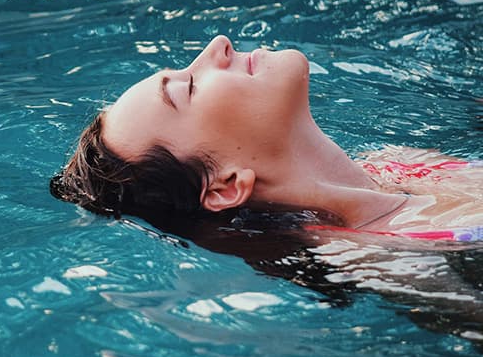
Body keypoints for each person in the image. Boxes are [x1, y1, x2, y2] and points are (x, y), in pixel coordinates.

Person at [50, 35, 483, 243]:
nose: (217, 46)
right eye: (189, 88)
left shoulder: (400, 162)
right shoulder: (391, 255)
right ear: (224, 186)